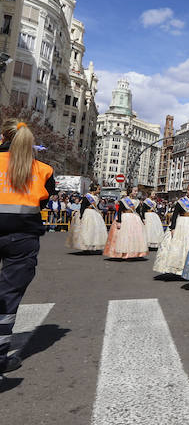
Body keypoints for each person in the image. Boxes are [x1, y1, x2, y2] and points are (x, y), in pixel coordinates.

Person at [0, 120, 55, 379]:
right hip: (22, 238)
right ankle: (0, 355)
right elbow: (46, 198)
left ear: (3, 136)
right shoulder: (42, 169)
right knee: (9, 295)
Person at [153, 183, 189, 277]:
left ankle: (188, 269)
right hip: (181, 225)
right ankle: (177, 270)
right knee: (178, 247)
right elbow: (175, 215)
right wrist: (173, 228)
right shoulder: (181, 201)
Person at [103, 186, 148, 259]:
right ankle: (123, 253)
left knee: (133, 237)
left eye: (137, 191)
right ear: (130, 191)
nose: (136, 193)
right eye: (135, 191)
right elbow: (119, 211)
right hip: (125, 219)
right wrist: (119, 221)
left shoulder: (137, 201)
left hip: (135, 219)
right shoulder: (123, 200)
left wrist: (142, 220)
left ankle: (132, 253)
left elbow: (138, 212)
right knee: (124, 236)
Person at [67, 184, 106, 252]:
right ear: (94, 189)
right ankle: (85, 246)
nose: (99, 191)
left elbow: (97, 206)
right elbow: (83, 206)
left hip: (95, 214)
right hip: (87, 213)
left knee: (95, 230)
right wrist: (81, 216)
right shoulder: (87, 197)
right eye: (98, 189)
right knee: (87, 230)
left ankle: (93, 246)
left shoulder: (96, 197)